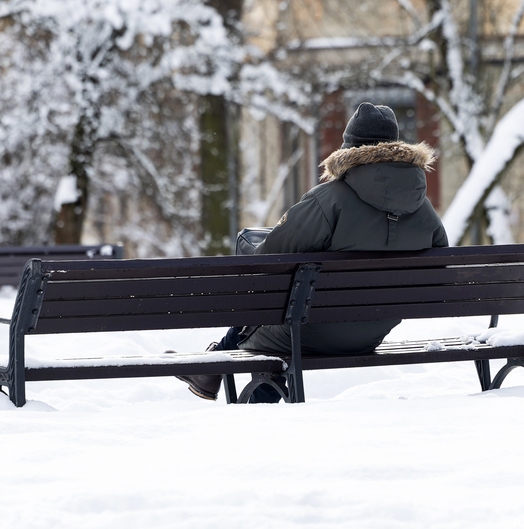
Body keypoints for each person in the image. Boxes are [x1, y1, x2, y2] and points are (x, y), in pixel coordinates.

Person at [177, 102, 448, 402]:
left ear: (349, 149)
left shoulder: (328, 199)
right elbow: (438, 268)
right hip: (371, 333)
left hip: (313, 332)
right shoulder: (424, 209)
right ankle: (213, 373)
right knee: (283, 315)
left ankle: (221, 377)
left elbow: (270, 259)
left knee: (271, 316)